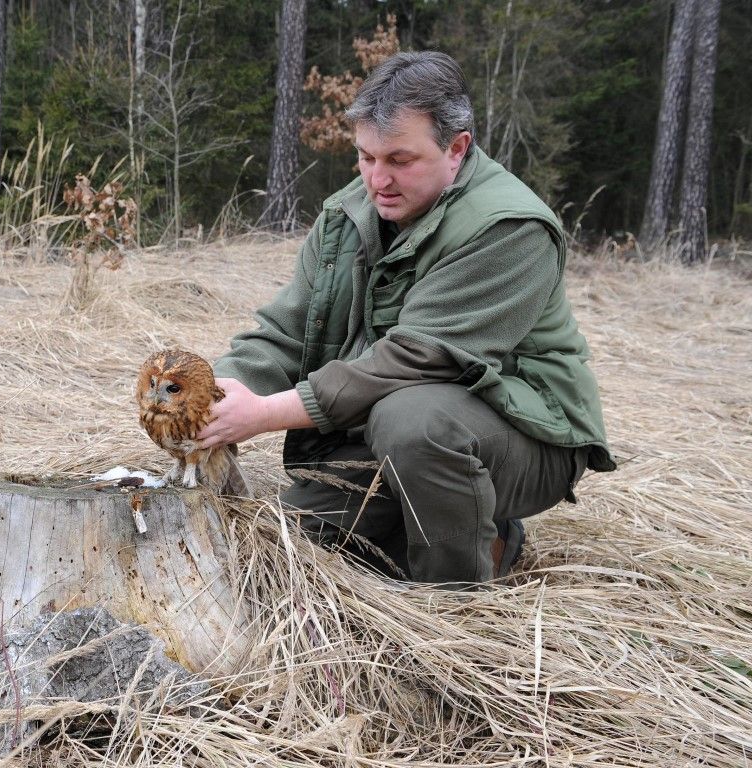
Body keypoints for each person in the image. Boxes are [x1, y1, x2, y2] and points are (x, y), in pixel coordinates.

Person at [198, 50, 615, 586]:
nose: (378, 181)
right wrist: (210, 398)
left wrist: (264, 413)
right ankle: (471, 523)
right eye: (365, 157)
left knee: (415, 423)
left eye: (399, 160)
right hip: (381, 423)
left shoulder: (511, 228)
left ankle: (455, 594)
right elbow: (287, 329)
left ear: (457, 148)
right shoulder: (349, 214)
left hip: (523, 433)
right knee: (300, 542)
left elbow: (417, 358)